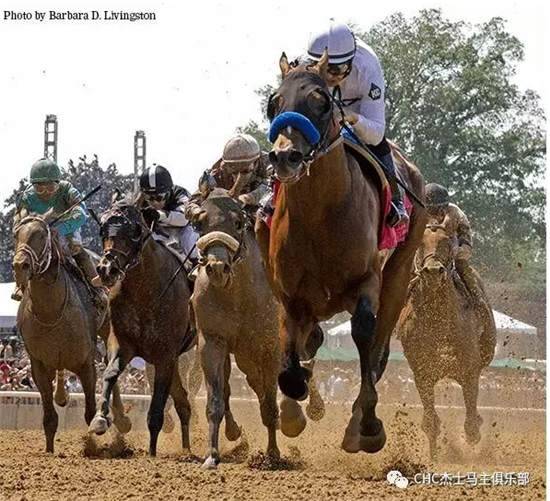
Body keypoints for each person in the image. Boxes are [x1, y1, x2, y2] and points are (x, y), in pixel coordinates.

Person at [306, 21, 408, 227]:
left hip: (358, 111)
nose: (328, 77)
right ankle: (271, 191)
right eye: (322, 68)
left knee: (377, 144)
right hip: (323, 111)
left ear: (350, 62)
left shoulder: (368, 69)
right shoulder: (305, 64)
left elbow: (376, 133)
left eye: (334, 70)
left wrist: (354, 119)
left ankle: (396, 200)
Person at [12, 158, 105, 302]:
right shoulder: (26, 197)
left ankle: (97, 289)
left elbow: (81, 214)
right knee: (24, 250)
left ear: (58, 183)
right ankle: (19, 285)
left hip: (66, 227)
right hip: (38, 230)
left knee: (75, 247)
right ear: (33, 187)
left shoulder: (67, 189)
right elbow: (18, 222)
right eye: (39, 189)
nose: (45, 193)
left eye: (51, 188)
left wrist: (60, 229)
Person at [424, 183, 486, 311]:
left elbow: (466, 243)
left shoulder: (457, 214)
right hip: (424, 250)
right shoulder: (417, 211)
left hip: (452, 248)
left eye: (435, 210)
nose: (433, 214)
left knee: (462, 266)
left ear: (444, 207)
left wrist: (457, 251)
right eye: (429, 210)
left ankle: (478, 301)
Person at [185, 134, 272, 221]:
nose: (238, 176)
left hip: (264, 212)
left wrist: (245, 198)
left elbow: (272, 189)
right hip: (230, 216)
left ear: (255, 162)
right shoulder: (218, 173)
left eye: (244, 170)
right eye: (234, 171)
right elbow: (193, 202)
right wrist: (196, 211)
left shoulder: (269, 163)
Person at [139, 164, 198, 263]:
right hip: (160, 230)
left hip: (183, 228)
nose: (154, 202)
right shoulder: (140, 199)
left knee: (189, 241)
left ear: (169, 192)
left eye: (159, 197)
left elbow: (184, 219)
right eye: (149, 197)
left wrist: (160, 215)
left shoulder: (181, 194)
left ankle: (196, 265)